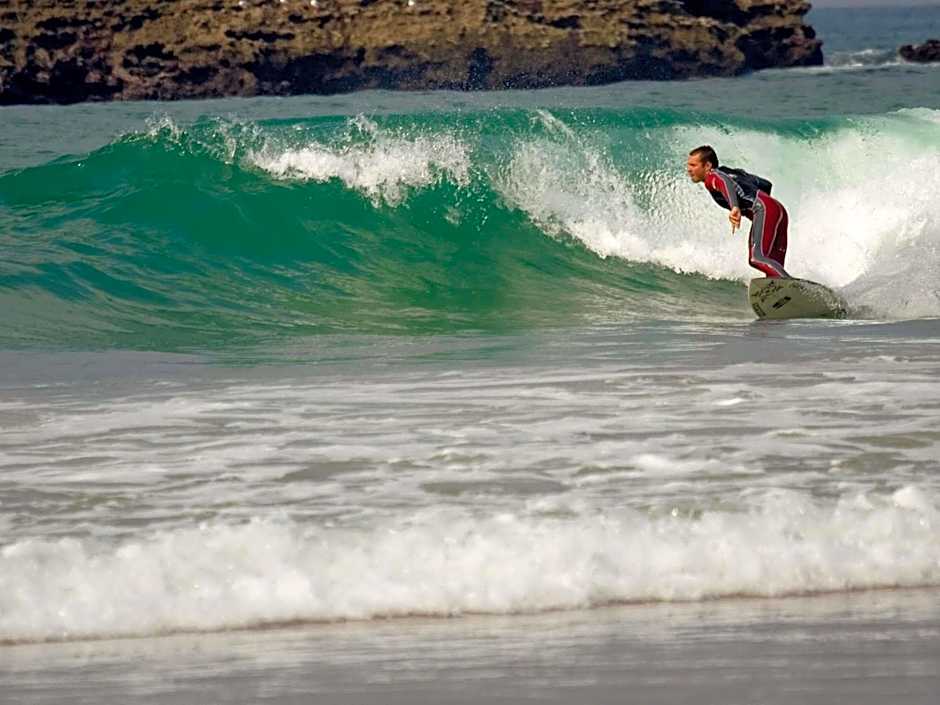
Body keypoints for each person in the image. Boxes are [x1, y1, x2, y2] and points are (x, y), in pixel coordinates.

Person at [686, 145, 790, 278]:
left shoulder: (712, 176)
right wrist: (766, 208)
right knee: (773, 264)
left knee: (756, 258)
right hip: (777, 208)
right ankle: (789, 293)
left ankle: (798, 290)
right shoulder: (734, 173)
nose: (689, 169)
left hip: (763, 208)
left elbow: (724, 183)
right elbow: (766, 184)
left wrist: (735, 206)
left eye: (693, 165)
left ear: (707, 166)